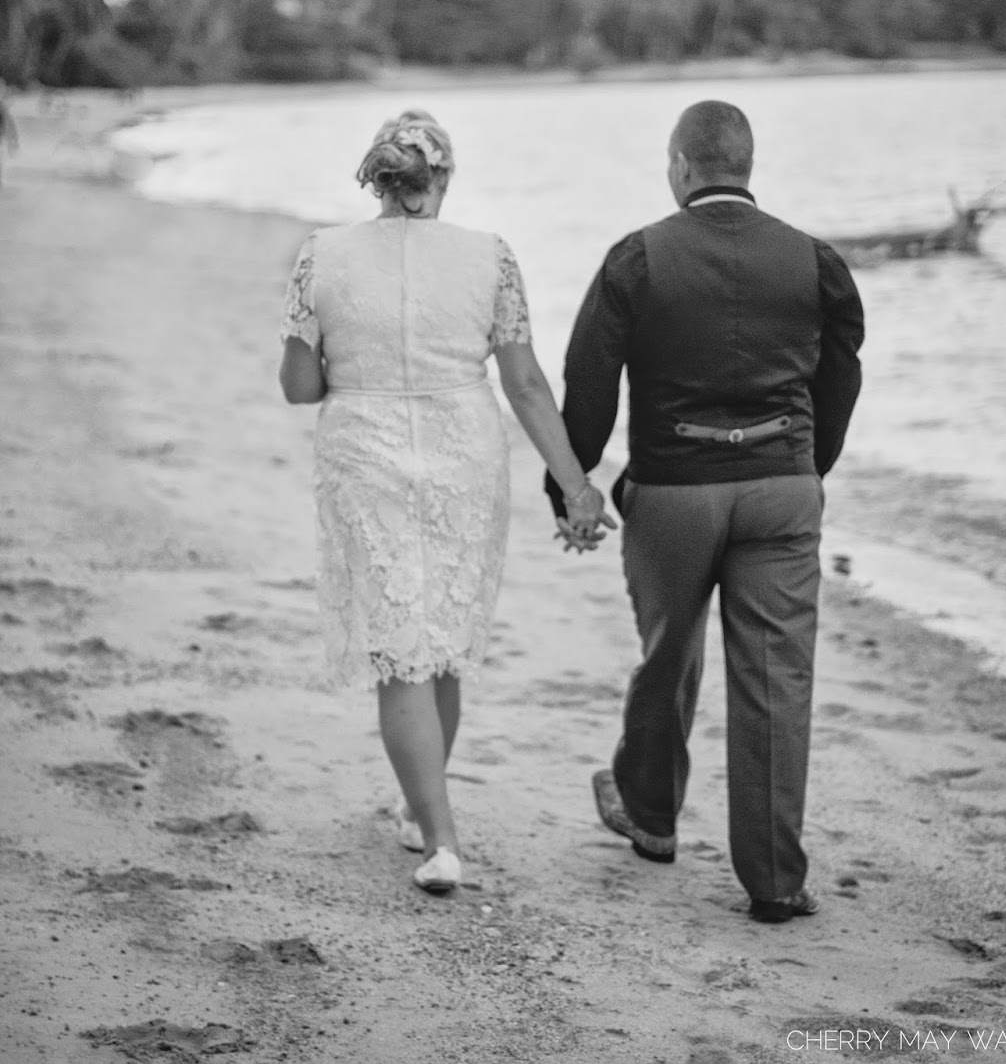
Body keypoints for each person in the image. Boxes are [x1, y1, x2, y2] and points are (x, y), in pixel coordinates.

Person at [279, 109, 613, 895]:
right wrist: (576, 487)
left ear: (378, 179)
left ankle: (440, 838)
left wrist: (348, 372)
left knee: (401, 645)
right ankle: (422, 813)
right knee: (446, 635)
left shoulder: (320, 257)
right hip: (465, 451)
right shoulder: (489, 257)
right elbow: (525, 385)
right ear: (445, 178)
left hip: (364, 452)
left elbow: (299, 387)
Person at [545, 100, 864, 923]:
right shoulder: (816, 261)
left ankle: (650, 818)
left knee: (669, 651)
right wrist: (806, 470)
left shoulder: (637, 259)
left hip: (675, 493)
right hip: (782, 490)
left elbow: (590, 385)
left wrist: (570, 485)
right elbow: (841, 376)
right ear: (746, 167)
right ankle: (775, 883)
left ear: (681, 166)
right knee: (775, 684)